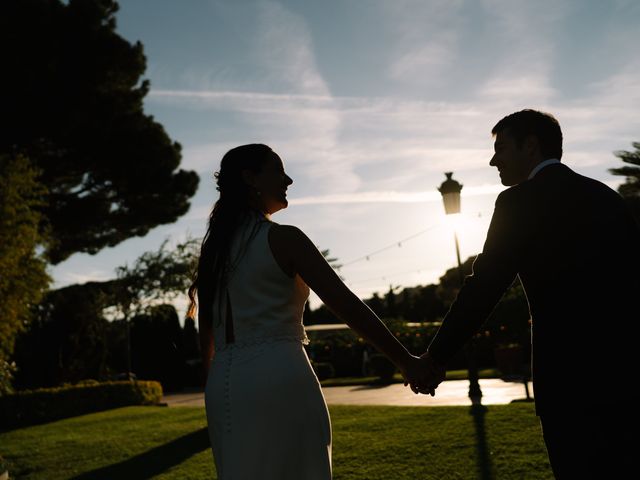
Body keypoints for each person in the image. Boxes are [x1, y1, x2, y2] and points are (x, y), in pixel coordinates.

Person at [415, 109, 640, 478]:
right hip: (630, 375)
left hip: (570, 382)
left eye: (501, 148)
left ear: (531, 146)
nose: (493, 160)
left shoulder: (518, 203)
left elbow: (485, 287)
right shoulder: (606, 197)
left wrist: (435, 356)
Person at [187, 143, 425, 479]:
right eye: (278, 171)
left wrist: (213, 383)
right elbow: (345, 304)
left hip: (224, 387)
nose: (289, 179)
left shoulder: (214, 252)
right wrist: (406, 362)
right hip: (280, 375)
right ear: (250, 178)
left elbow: (206, 330)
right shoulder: (284, 239)